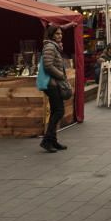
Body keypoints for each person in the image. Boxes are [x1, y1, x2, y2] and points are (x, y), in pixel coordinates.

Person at [40, 24, 69, 153]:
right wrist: (60, 74)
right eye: (57, 34)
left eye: (61, 34)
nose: (60, 36)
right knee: (59, 111)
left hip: (54, 83)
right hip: (52, 84)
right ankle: (47, 141)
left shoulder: (54, 47)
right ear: (51, 35)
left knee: (55, 111)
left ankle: (53, 141)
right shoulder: (50, 47)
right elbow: (47, 65)